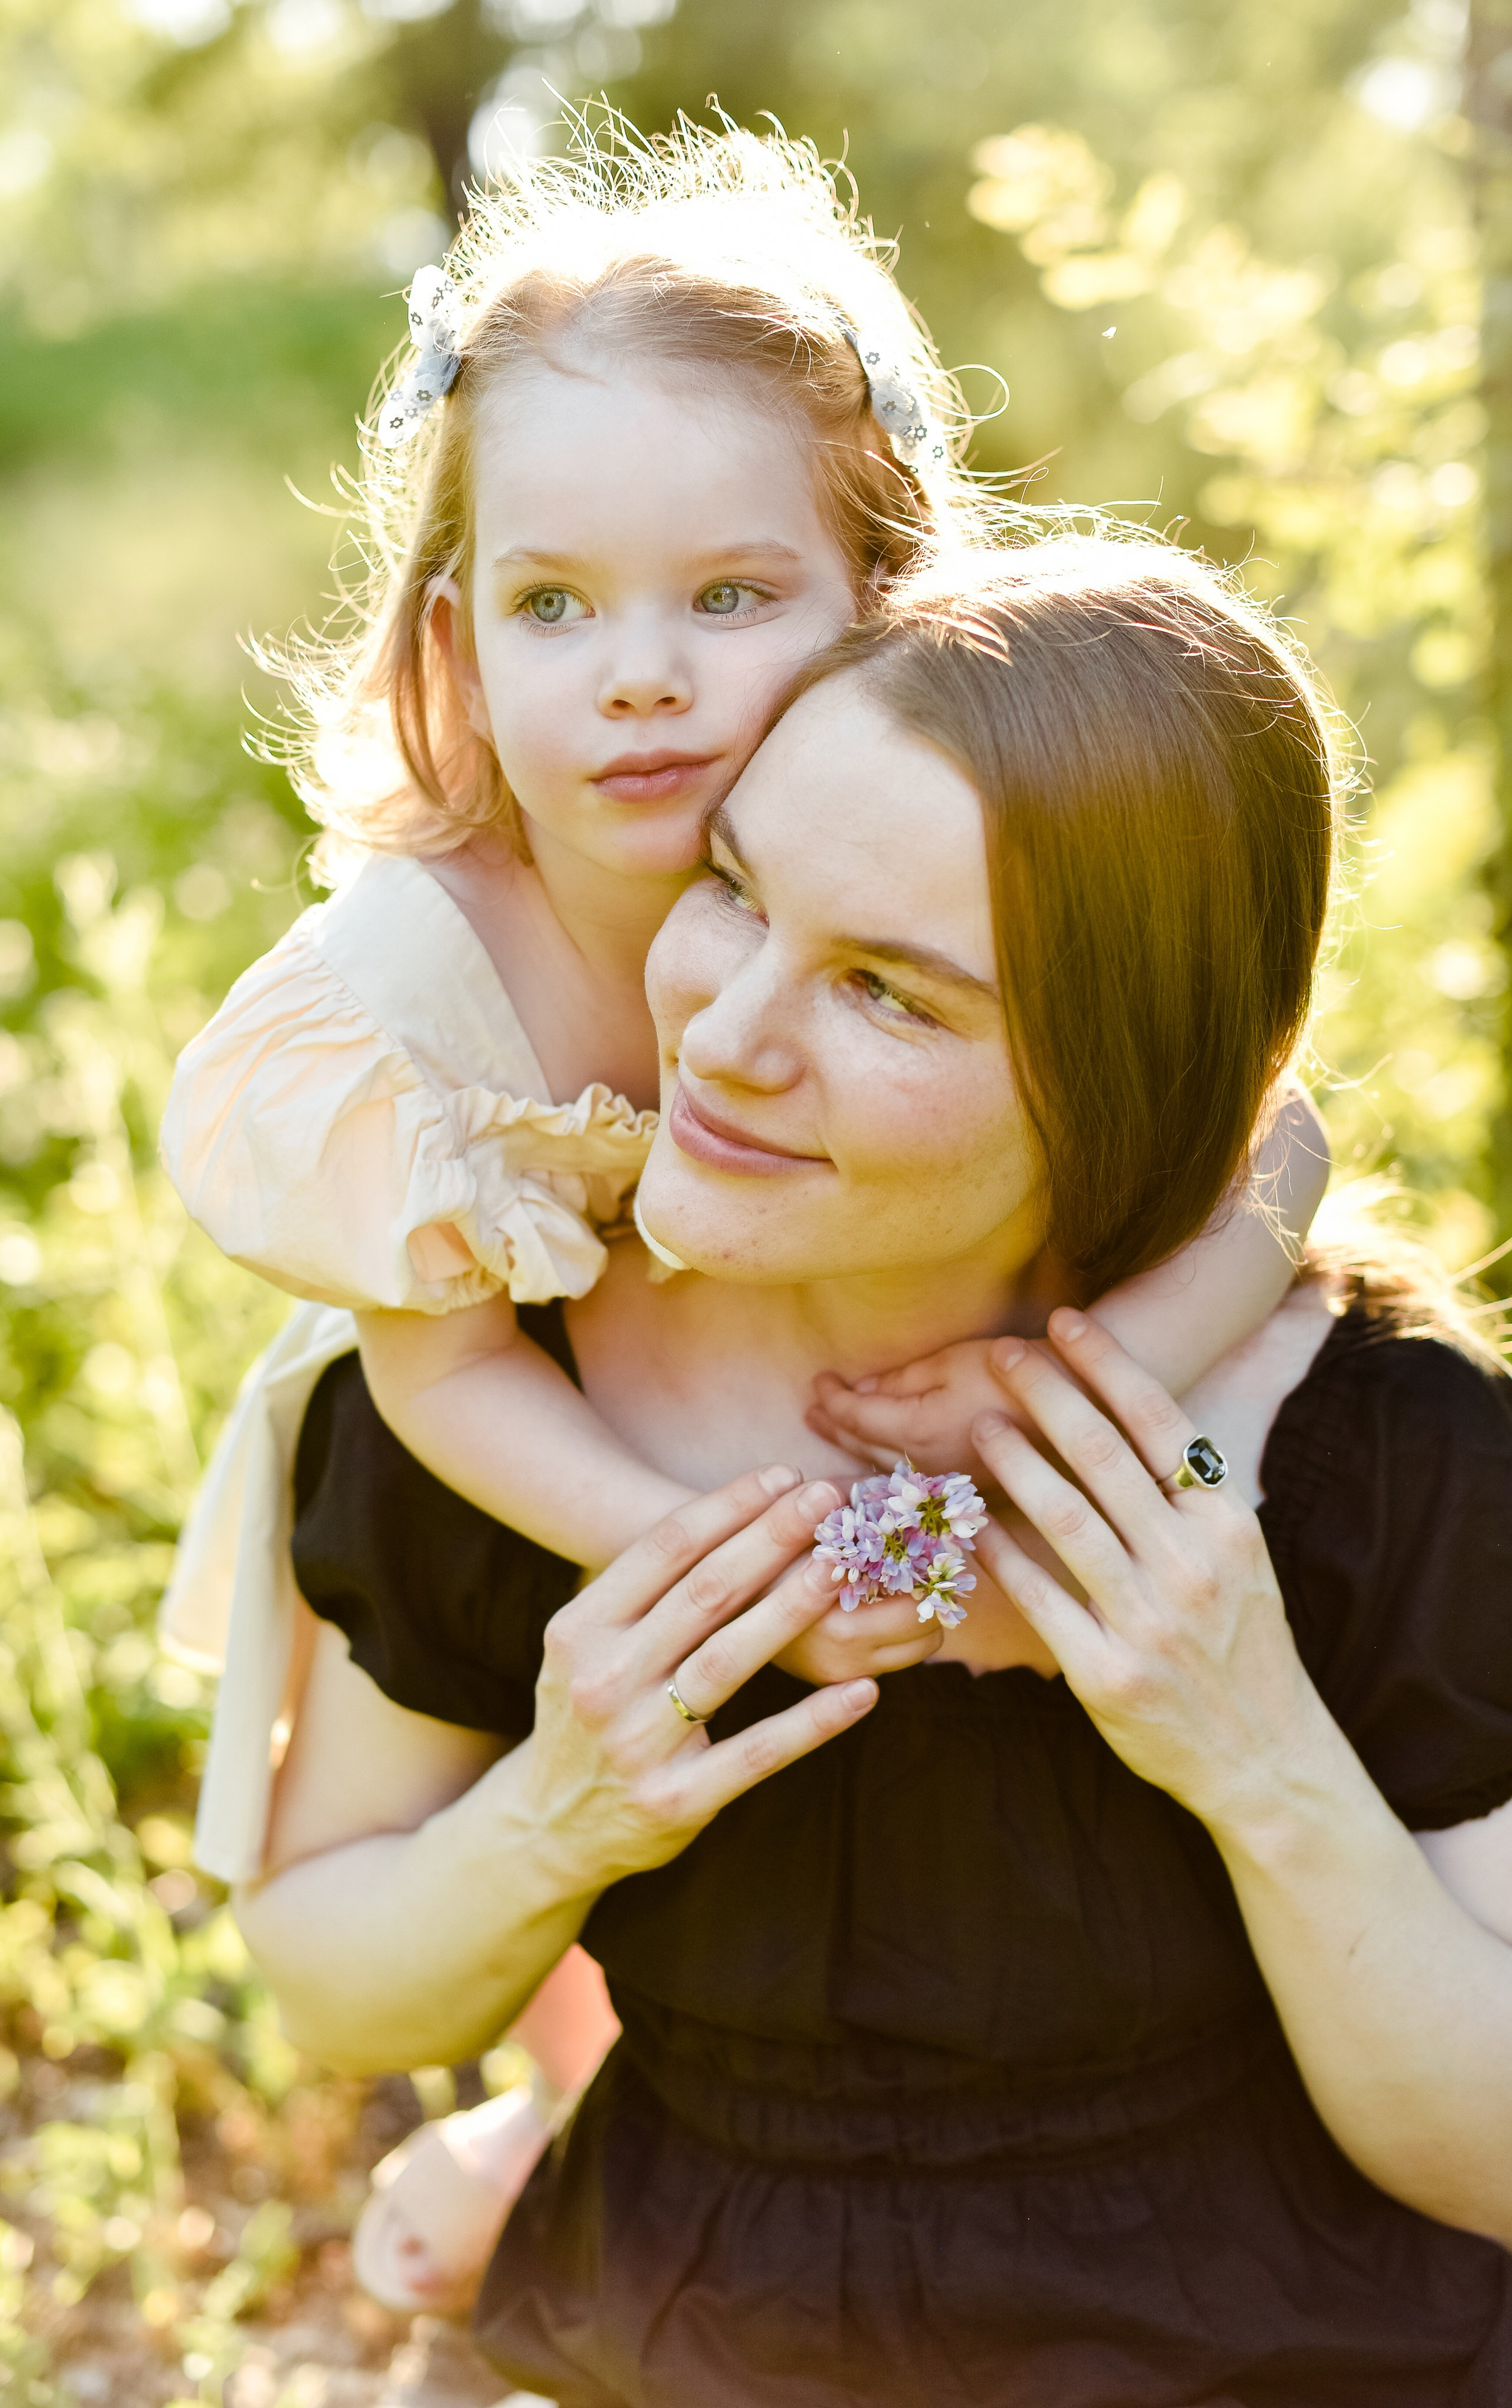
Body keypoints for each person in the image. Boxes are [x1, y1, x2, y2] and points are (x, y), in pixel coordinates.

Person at [158, 127, 1326, 2304]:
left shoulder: (935, 833)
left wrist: (1066, 1397)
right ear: (456, 632)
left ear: (885, 590)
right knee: (576, 1705)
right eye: (554, 607)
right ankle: (572, 2104)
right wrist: (715, 1563)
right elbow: (440, 1368)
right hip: (510, 1402)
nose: (641, 680)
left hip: (835, 1349)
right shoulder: (423, 976)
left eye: (730, 596)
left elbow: (1272, 1146)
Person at [227, 537, 1512, 2405]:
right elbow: (338, 1990)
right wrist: (562, 1811)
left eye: (890, 994)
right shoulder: (507, 1405)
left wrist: (1256, 1751)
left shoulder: (1382, 1453)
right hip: (686, 2335)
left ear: (1123, 1089)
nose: (727, 1040)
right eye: (736, 891)